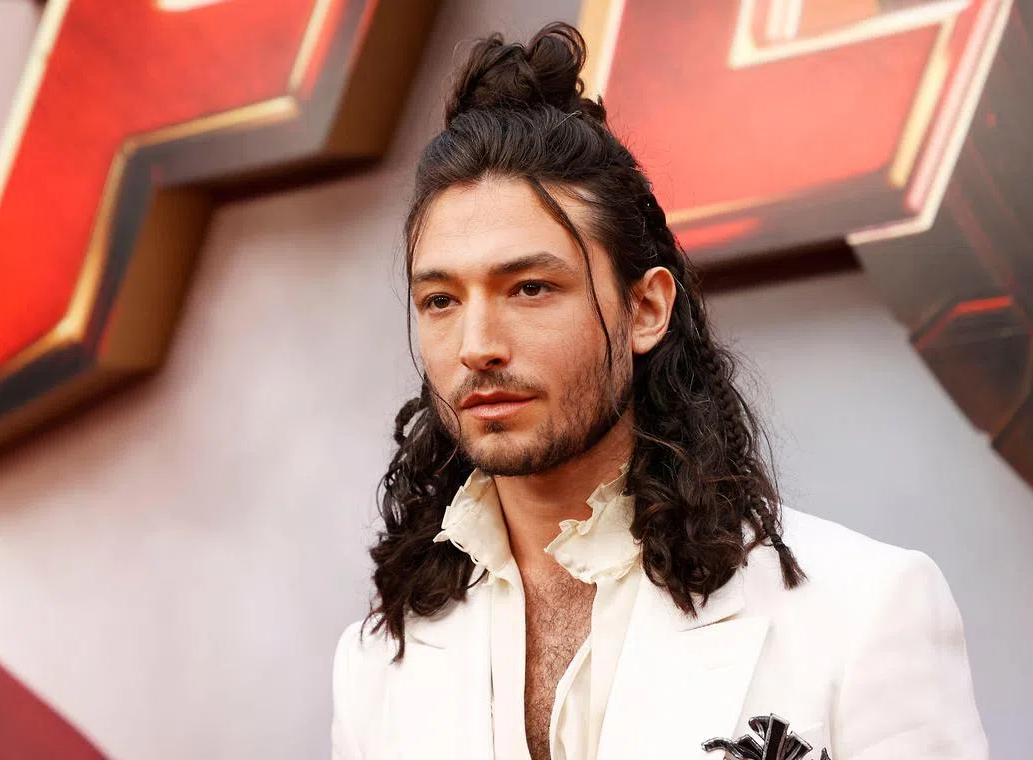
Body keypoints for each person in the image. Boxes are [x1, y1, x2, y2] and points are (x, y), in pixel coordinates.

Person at [331, 22, 988, 760]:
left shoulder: (863, 611)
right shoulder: (376, 664)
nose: (476, 345)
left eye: (530, 287)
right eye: (441, 301)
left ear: (645, 309)